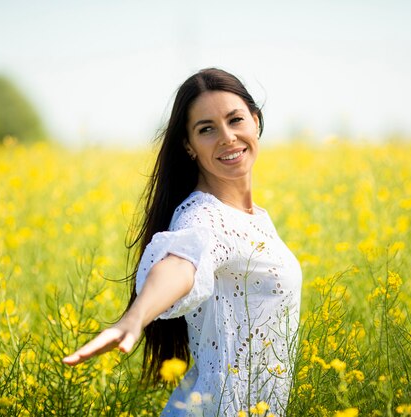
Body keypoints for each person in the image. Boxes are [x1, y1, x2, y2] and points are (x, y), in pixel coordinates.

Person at [63, 68, 302, 416]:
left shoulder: (254, 218)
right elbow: (181, 262)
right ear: (189, 146)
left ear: (255, 121)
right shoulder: (205, 216)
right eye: (207, 129)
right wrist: (137, 315)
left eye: (235, 120)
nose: (227, 137)